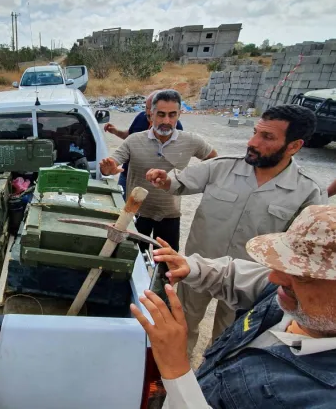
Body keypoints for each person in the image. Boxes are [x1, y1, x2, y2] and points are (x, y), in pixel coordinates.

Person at [146, 104, 327, 353]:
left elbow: (306, 254)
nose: (251, 142)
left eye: (267, 137)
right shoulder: (221, 167)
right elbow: (178, 183)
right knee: (183, 324)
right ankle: (176, 380)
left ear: (294, 146)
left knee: (230, 336)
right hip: (196, 269)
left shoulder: (307, 192)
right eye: (255, 132)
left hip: (246, 283)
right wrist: (165, 179)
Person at [131, 205, 336, 409]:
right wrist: (192, 268)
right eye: (284, 264)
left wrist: (175, 369)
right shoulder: (292, 296)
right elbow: (236, 275)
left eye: (301, 275)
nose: (275, 277)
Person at [99, 89, 217, 252]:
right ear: (151, 114)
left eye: (172, 115)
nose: (166, 121)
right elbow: (112, 163)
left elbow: (214, 161)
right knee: (131, 263)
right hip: (135, 215)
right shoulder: (134, 140)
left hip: (170, 216)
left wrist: (191, 179)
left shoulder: (191, 141)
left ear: (179, 115)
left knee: (166, 268)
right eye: (161, 114)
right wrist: (108, 169)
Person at [103, 90, 184, 199]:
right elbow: (130, 135)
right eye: (147, 107)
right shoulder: (140, 117)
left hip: (156, 180)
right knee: (124, 207)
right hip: (128, 175)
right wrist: (116, 131)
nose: (149, 112)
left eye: (153, 109)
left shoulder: (173, 126)